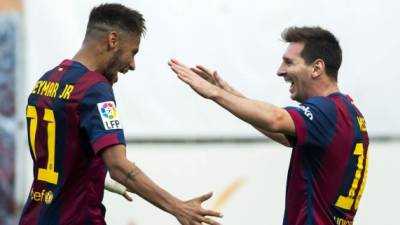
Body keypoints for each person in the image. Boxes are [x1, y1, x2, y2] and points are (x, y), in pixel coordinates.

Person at [19, 3, 222, 225]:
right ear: (113, 40)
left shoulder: (46, 80)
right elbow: (118, 166)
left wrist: (95, 175)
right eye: (133, 52)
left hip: (34, 216)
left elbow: (61, 157)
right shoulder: (95, 89)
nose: (132, 64)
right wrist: (178, 207)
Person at [169, 26, 369, 225]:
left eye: (289, 62)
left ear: (316, 68)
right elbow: (280, 130)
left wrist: (214, 94)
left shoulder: (326, 111)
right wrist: (229, 93)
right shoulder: (347, 112)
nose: (280, 71)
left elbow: (276, 119)